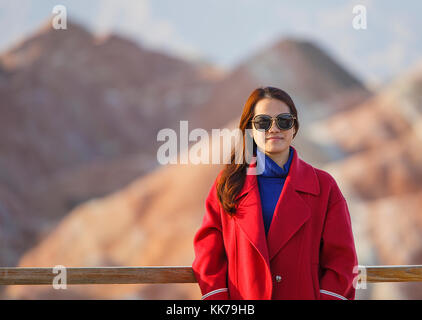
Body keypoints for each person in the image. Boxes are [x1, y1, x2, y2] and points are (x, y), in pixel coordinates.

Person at [192, 86, 358, 300]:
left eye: (284, 121)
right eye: (263, 122)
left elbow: (342, 261)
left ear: (294, 127)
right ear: (250, 129)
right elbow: (208, 255)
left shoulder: (324, 187)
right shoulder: (228, 185)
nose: (274, 128)